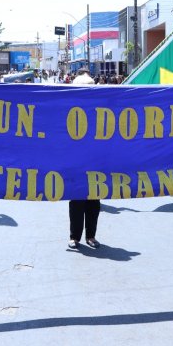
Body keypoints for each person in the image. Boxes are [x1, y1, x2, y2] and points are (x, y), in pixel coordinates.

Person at [67, 68, 101, 249]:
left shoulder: (100, 111)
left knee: (94, 203)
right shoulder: (68, 111)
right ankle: (75, 237)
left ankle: (91, 236)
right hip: (76, 164)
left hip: (95, 162)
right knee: (77, 202)